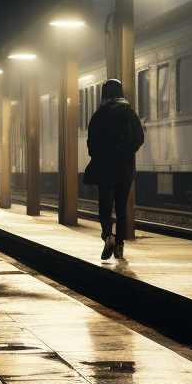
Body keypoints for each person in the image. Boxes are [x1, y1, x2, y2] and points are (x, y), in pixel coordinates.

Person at [83, 78, 145, 260]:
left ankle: (107, 236)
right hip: (124, 168)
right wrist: (128, 150)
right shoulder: (129, 114)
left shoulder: (99, 114)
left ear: (104, 94)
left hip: (104, 168)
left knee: (105, 205)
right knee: (122, 207)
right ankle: (120, 243)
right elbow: (139, 138)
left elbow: (91, 141)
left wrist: (99, 155)